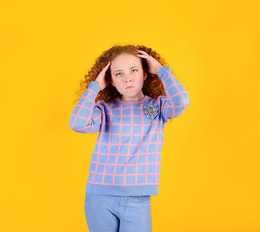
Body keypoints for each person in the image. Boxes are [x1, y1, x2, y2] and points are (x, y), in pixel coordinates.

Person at [69, 44, 190, 232]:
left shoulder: (159, 106)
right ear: (110, 81)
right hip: (99, 197)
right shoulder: (104, 109)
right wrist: (94, 87)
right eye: (118, 74)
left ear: (144, 73)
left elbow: (182, 101)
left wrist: (161, 71)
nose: (127, 78)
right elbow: (76, 123)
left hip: (138, 198)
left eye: (134, 70)